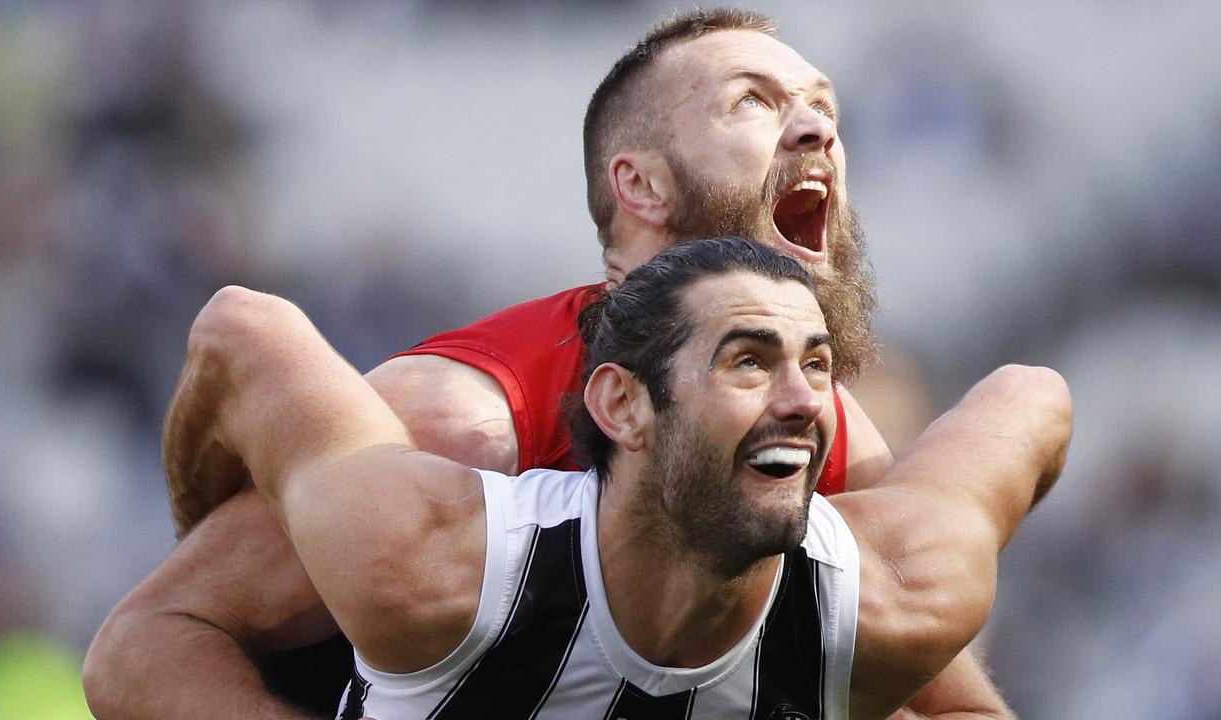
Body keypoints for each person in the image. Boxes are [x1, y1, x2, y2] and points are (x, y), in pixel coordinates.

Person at [84, 9, 1011, 719]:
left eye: (825, 111)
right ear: (639, 186)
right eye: (756, 103)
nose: (817, 133)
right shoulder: (462, 428)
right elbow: (141, 648)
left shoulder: (828, 445)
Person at [163, 238, 1071, 719]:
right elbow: (243, 329)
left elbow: (1035, 399)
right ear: (623, 407)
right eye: (749, 362)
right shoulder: (432, 563)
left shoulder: (897, 594)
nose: (804, 400)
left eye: (820, 364)